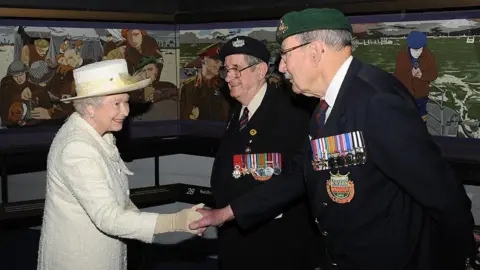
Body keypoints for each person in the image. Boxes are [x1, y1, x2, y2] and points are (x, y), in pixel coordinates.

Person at [190, 8, 475, 270]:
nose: (283, 68)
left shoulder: (375, 100)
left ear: (314, 51)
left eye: (286, 55)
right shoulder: (326, 106)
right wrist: (226, 213)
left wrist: (457, 258)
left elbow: (441, 192)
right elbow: (297, 174)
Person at [37, 59, 205, 270]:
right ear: (90, 107)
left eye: (126, 102)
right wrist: (174, 222)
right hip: (82, 260)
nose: (126, 111)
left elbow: (118, 201)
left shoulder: (98, 136)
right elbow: (108, 217)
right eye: (117, 103)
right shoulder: (77, 149)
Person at [207, 36, 322, 270]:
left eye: (237, 69)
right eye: (226, 70)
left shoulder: (292, 115)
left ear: (260, 70)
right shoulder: (238, 113)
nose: (229, 77)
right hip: (235, 239)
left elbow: (298, 179)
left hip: (276, 247)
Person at [394, 31, 438, 122]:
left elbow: (434, 74)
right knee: (408, 117)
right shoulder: (401, 56)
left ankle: (422, 131)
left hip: (422, 94)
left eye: (421, 49)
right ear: (409, 47)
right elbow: (397, 76)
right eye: (415, 50)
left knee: (422, 116)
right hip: (406, 94)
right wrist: (409, 74)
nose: (418, 52)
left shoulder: (428, 55)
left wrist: (422, 75)